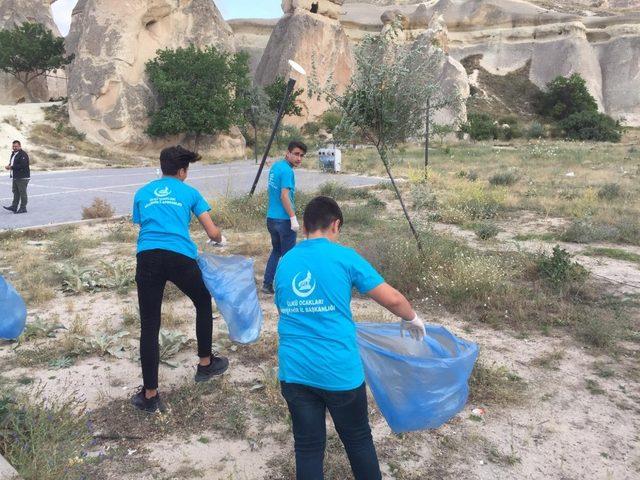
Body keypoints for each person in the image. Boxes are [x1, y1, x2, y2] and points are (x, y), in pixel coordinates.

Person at [274, 196, 426, 480]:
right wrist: (412, 318)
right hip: (339, 371)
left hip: (294, 371)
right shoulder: (344, 256)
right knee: (358, 440)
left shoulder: (285, 261)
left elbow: (283, 306)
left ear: (305, 226)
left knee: (307, 448)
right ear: (336, 225)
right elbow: (393, 299)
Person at [130, 145, 228, 413]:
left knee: (150, 324)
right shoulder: (190, 192)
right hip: (180, 257)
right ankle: (205, 365)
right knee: (201, 300)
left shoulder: (143, 192)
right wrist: (219, 239)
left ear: (162, 168)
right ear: (183, 171)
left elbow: (142, 223)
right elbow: (211, 230)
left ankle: (150, 395)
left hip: (147, 256)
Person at [262, 140, 307, 295]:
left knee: (276, 251)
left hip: (271, 219)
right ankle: (287, 288)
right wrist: (293, 217)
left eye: (301, 155)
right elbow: (284, 196)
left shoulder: (276, 167)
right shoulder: (288, 171)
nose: (299, 158)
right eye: (296, 154)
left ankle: (267, 284)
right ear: (287, 153)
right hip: (284, 220)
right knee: (289, 257)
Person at [3, 140, 30, 214]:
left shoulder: (23, 154)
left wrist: (11, 167)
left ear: (20, 146)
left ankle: (23, 208)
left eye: (16, 146)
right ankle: (14, 206)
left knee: (22, 193)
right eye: (13, 146)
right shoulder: (13, 154)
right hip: (15, 177)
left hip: (22, 177)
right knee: (15, 192)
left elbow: (23, 165)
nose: (14, 147)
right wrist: (9, 166)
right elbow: (13, 163)